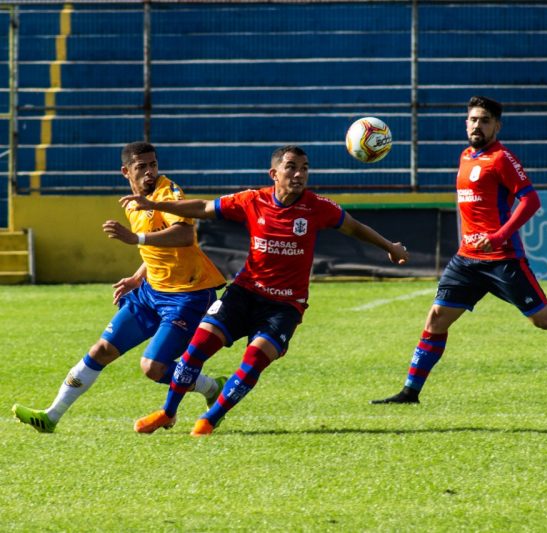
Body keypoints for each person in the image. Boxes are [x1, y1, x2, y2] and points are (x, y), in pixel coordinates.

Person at [124, 145, 409, 437]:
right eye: (291, 167)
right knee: (197, 348)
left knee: (254, 360)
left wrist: (390, 247)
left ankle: (209, 420)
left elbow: (353, 227)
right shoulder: (253, 200)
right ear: (274, 174)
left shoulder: (318, 207)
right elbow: (205, 208)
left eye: (305, 168)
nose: (299, 174)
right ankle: (168, 413)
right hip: (244, 293)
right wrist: (158, 206)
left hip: (284, 307)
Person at [371, 96, 547, 405]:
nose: (477, 125)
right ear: (466, 123)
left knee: (546, 319)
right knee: (436, 319)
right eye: (473, 119)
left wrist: (500, 235)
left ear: (497, 126)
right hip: (467, 260)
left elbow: (530, 200)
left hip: (503, 259)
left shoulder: (501, 158)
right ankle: (410, 392)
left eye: (485, 120)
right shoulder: (465, 156)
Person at [12, 141, 227, 433]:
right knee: (101, 350)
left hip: (188, 295)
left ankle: (212, 386)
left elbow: (184, 235)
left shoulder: (167, 193)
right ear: (126, 171)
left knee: (154, 368)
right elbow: (156, 246)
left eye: (153, 165)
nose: (150, 172)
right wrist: (138, 277)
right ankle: (51, 416)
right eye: (142, 167)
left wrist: (134, 239)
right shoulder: (132, 203)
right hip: (151, 291)